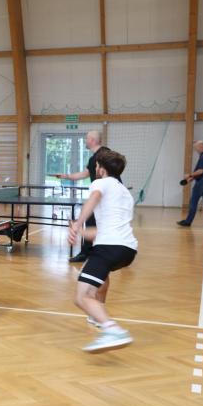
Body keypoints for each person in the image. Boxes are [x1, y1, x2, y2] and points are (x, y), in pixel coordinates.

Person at [68, 150, 137, 353]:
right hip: (127, 250)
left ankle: (113, 330)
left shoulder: (100, 183)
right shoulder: (125, 193)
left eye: (97, 166)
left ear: (101, 169)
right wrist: (81, 232)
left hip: (108, 248)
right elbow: (105, 230)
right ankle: (97, 315)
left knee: (81, 297)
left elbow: (95, 197)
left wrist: (78, 222)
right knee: (102, 277)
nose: (95, 169)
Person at [55, 130, 112, 263]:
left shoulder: (105, 154)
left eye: (87, 138)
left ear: (92, 140)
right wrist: (66, 176)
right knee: (90, 221)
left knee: (101, 223)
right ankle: (87, 252)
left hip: (105, 197)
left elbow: (110, 173)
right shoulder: (93, 158)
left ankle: (93, 252)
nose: (85, 141)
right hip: (99, 197)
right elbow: (85, 174)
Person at [177, 140, 203, 229]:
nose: (195, 149)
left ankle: (188, 222)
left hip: (202, 183)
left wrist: (189, 175)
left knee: (193, 202)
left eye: (196, 147)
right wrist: (190, 179)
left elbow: (200, 171)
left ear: (201, 146)